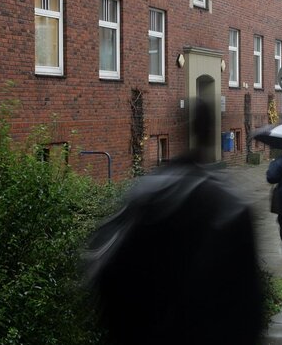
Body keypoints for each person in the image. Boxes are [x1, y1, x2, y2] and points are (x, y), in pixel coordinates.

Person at [85, 99, 264, 344]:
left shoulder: (145, 194)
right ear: (213, 132)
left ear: (185, 129)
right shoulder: (229, 207)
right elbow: (248, 307)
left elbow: (110, 275)